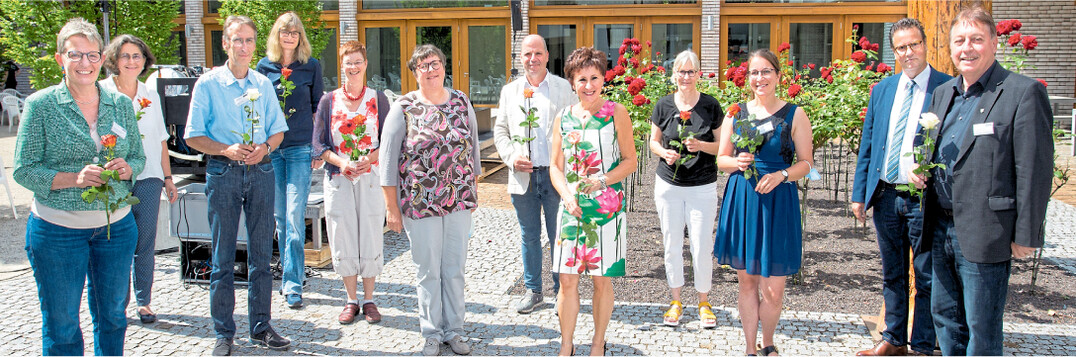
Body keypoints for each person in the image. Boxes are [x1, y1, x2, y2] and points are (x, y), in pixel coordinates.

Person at [909, 7, 1052, 356]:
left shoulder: (1022, 92)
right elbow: (929, 148)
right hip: (939, 227)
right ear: (950, 46)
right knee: (944, 319)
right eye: (959, 41)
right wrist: (919, 167)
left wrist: (1026, 235)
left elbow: (1035, 170)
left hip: (987, 232)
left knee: (982, 330)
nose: (966, 48)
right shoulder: (944, 93)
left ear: (994, 43)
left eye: (976, 39)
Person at [13, 18, 145, 355]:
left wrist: (128, 167)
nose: (85, 63)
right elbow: (24, 170)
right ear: (60, 58)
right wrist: (74, 179)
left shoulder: (119, 105)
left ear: (102, 58)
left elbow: (138, 157)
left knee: (114, 317)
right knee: (62, 324)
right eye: (75, 55)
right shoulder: (41, 106)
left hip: (116, 229)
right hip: (57, 231)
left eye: (92, 55)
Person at [183, 15, 291, 356]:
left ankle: (260, 326)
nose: (243, 46)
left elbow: (278, 130)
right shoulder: (208, 85)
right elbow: (193, 136)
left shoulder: (261, 83)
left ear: (254, 46)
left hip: (261, 173)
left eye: (248, 41)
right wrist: (225, 148)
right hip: (223, 172)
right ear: (225, 44)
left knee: (261, 255)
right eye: (237, 40)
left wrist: (266, 148)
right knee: (222, 257)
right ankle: (224, 333)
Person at [850, 18, 952, 357]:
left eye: (914, 44)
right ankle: (893, 339)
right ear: (894, 52)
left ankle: (922, 345)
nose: (908, 53)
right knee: (892, 273)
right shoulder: (883, 90)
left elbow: (953, 149)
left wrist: (935, 177)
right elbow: (869, 143)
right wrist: (859, 194)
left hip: (925, 199)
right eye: (901, 47)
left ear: (925, 45)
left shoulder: (947, 88)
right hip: (886, 194)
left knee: (926, 276)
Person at [379, 44, 479, 356]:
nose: (431, 69)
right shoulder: (404, 107)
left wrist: (474, 187)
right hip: (420, 204)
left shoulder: (461, 101)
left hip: (459, 200)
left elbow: (473, 148)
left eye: (435, 63)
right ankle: (432, 333)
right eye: (423, 65)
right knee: (428, 271)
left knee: (454, 268)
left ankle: (455, 330)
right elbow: (387, 161)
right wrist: (391, 207)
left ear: (444, 66)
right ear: (414, 72)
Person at [714, 49, 814, 357]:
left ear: (778, 76)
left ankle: (768, 341)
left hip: (778, 201)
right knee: (747, 282)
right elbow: (721, 160)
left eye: (766, 71)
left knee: (773, 288)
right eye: (754, 73)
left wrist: (783, 174)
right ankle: (749, 348)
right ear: (748, 79)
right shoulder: (736, 113)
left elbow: (807, 164)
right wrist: (737, 161)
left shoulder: (795, 114)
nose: (760, 78)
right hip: (744, 199)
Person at [550, 46, 638, 357]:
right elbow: (555, 167)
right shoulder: (563, 117)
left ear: (603, 80)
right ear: (572, 82)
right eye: (582, 79)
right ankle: (566, 345)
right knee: (567, 281)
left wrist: (602, 180)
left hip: (606, 209)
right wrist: (567, 195)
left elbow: (630, 161)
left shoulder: (617, 113)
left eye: (595, 78)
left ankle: (598, 344)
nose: (589, 85)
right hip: (571, 208)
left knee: (602, 281)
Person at [99, 34, 181, 325]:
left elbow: (161, 140)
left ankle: (144, 302)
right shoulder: (101, 93)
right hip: (114, 180)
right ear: (114, 60)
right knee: (115, 244)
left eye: (137, 56)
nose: (131, 61)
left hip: (148, 178)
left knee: (144, 243)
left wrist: (168, 177)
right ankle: (115, 303)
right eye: (125, 56)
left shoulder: (150, 94)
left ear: (145, 60)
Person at [493, 34, 577, 314]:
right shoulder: (510, 92)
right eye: (527, 54)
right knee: (529, 236)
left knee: (559, 236)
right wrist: (511, 157)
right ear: (520, 58)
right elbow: (500, 132)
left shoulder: (564, 88)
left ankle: (561, 292)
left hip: (555, 177)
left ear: (546, 55)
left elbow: (576, 124)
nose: (533, 59)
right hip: (523, 178)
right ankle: (533, 291)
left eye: (538, 53)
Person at [313, 40, 391, 325]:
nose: (354, 67)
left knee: (370, 231)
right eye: (349, 62)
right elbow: (318, 144)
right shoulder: (328, 101)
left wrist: (369, 160)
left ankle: (369, 299)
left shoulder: (378, 99)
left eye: (358, 61)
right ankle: (350, 299)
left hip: (370, 177)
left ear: (366, 64)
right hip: (339, 177)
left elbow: (390, 141)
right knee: (342, 234)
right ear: (342, 66)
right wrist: (342, 162)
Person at [647, 49, 723, 329]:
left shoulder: (711, 106)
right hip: (668, 185)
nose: (686, 77)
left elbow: (722, 147)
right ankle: (676, 300)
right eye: (681, 71)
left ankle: (704, 302)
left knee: (702, 246)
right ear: (674, 74)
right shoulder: (663, 105)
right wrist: (664, 154)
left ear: (699, 74)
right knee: (672, 244)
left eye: (691, 71)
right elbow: (653, 142)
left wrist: (701, 146)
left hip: (702, 186)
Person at [255, 11, 324, 309]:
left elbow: (317, 111)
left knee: (295, 216)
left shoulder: (311, 66)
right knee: (281, 219)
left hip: (298, 149)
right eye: (285, 31)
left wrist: (318, 147)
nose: (290, 36)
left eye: (295, 32)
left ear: (300, 37)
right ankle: (290, 274)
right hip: (271, 151)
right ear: (277, 35)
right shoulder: (263, 67)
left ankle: (292, 284)